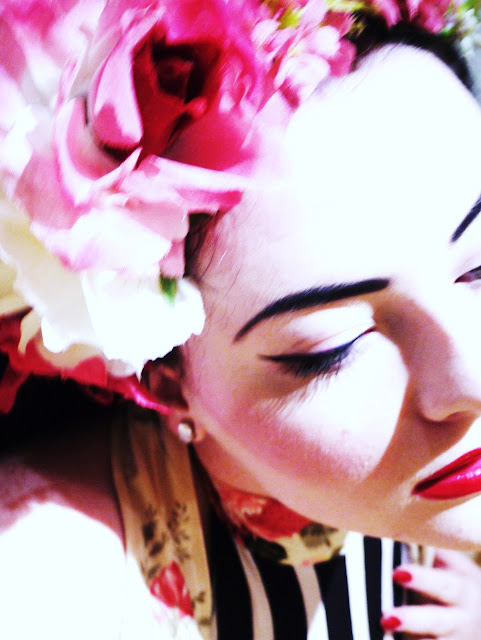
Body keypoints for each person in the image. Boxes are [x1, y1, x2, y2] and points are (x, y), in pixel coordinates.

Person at [1, 1, 481, 638]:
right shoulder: (43, 583)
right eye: (335, 348)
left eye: (479, 270)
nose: (470, 378)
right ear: (164, 383)